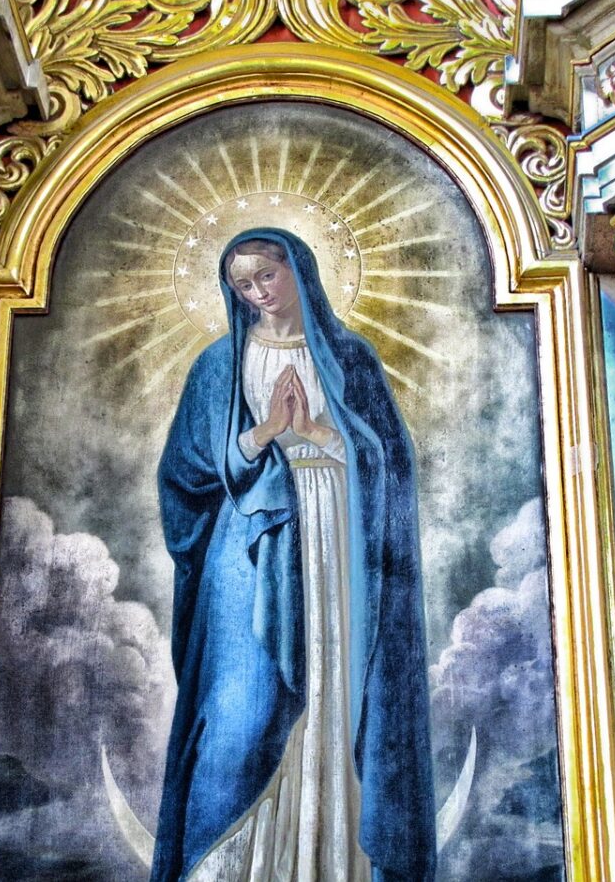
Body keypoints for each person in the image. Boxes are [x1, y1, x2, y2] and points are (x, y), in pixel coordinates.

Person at [152, 228, 435, 881]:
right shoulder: (218, 365)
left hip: (337, 543)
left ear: (298, 271)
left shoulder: (350, 357)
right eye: (243, 285)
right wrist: (266, 433)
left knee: (335, 697)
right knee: (240, 714)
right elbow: (184, 472)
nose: (257, 293)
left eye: (266, 276)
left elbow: (388, 461)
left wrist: (313, 433)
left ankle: (320, 864)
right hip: (249, 545)